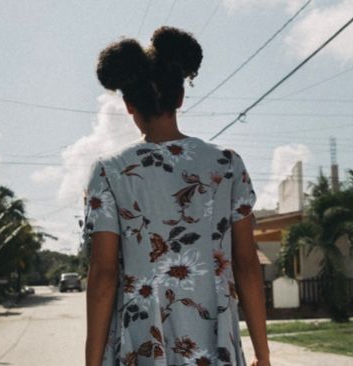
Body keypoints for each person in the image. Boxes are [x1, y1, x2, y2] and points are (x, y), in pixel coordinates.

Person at [84, 26, 270, 366]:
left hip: (142, 346)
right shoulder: (227, 164)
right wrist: (263, 354)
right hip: (215, 348)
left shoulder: (109, 172)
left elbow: (103, 273)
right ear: (181, 98)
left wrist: (92, 362)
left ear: (128, 105)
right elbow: (247, 264)